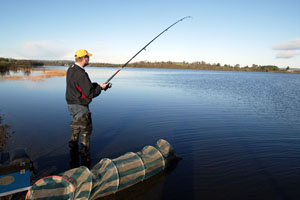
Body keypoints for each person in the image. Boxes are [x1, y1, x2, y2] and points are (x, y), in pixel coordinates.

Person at [66, 49, 108, 156]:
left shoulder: (71, 70)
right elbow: (90, 94)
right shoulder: (81, 74)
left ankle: (73, 153)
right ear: (84, 58)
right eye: (88, 57)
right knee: (86, 130)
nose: (89, 59)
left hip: (71, 104)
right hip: (80, 106)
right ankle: (85, 157)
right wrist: (101, 88)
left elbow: (82, 86)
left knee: (75, 127)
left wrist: (97, 85)